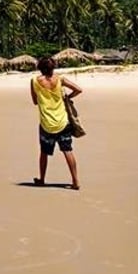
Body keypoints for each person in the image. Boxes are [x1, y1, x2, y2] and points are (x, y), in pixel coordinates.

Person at [30, 56, 84, 190]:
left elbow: (35, 101)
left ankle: (42, 179)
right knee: (68, 150)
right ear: (53, 67)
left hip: (46, 124)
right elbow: (78, 89)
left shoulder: (34, 81)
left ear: (40, 68)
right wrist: (67, 97)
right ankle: (76, 181)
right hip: (63, 122)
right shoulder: (60, 79)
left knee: (44, 152)